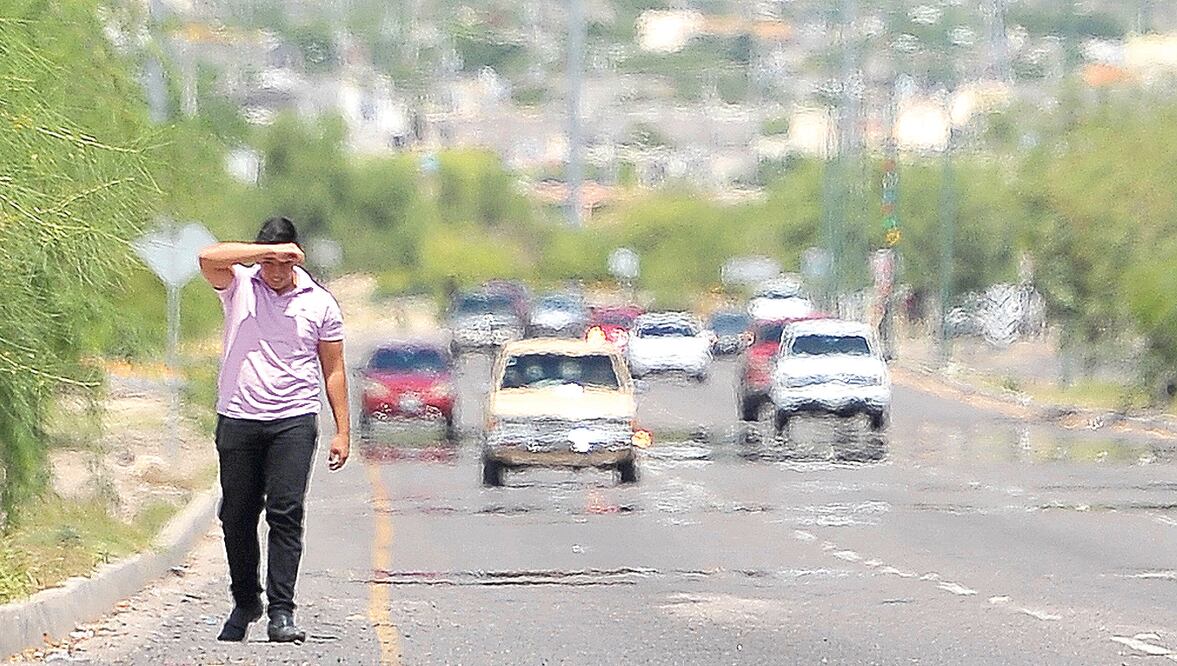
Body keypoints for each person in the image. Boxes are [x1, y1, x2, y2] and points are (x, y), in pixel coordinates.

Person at [197, 217, 350, 643]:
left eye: (285, 261)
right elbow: (207, 258)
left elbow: (333, 369)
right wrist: (260, 253)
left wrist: (343, 430)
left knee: (285, 514)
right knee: (237, 516)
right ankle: (246, 599)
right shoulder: (240, 285)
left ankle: (282, 612)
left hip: (294, 420)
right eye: (271, 260)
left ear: (297, 258)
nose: (277, 270)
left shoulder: (320, 303)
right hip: (239, 417)